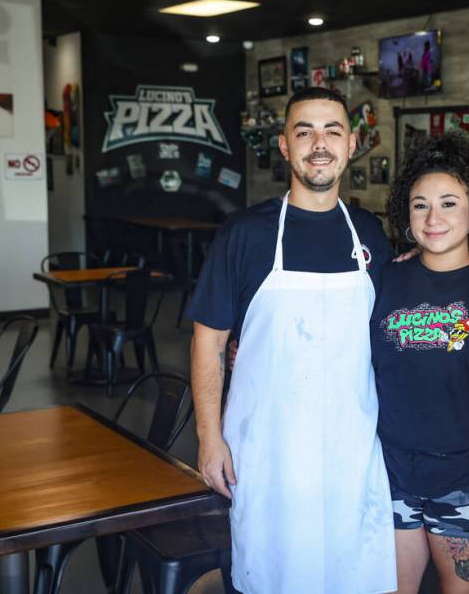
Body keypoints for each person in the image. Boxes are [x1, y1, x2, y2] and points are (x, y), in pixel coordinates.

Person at [188, 86, 397, 593]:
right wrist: (209, 437)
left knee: (352, 576)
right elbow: (209, 342)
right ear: (285, 146)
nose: (319, 143)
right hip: (267, 450)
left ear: (351, 146)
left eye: (333, 131)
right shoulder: (245, 233)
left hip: (353, 446)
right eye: (305, 132)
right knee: (271, 572)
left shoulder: (369, 233)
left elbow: (389, 340)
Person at [372, 132, 469, 594]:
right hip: (389, 471)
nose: (433, 218)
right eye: (420, 205)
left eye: (449, 203)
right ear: (405, 215)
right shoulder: (382, 281)